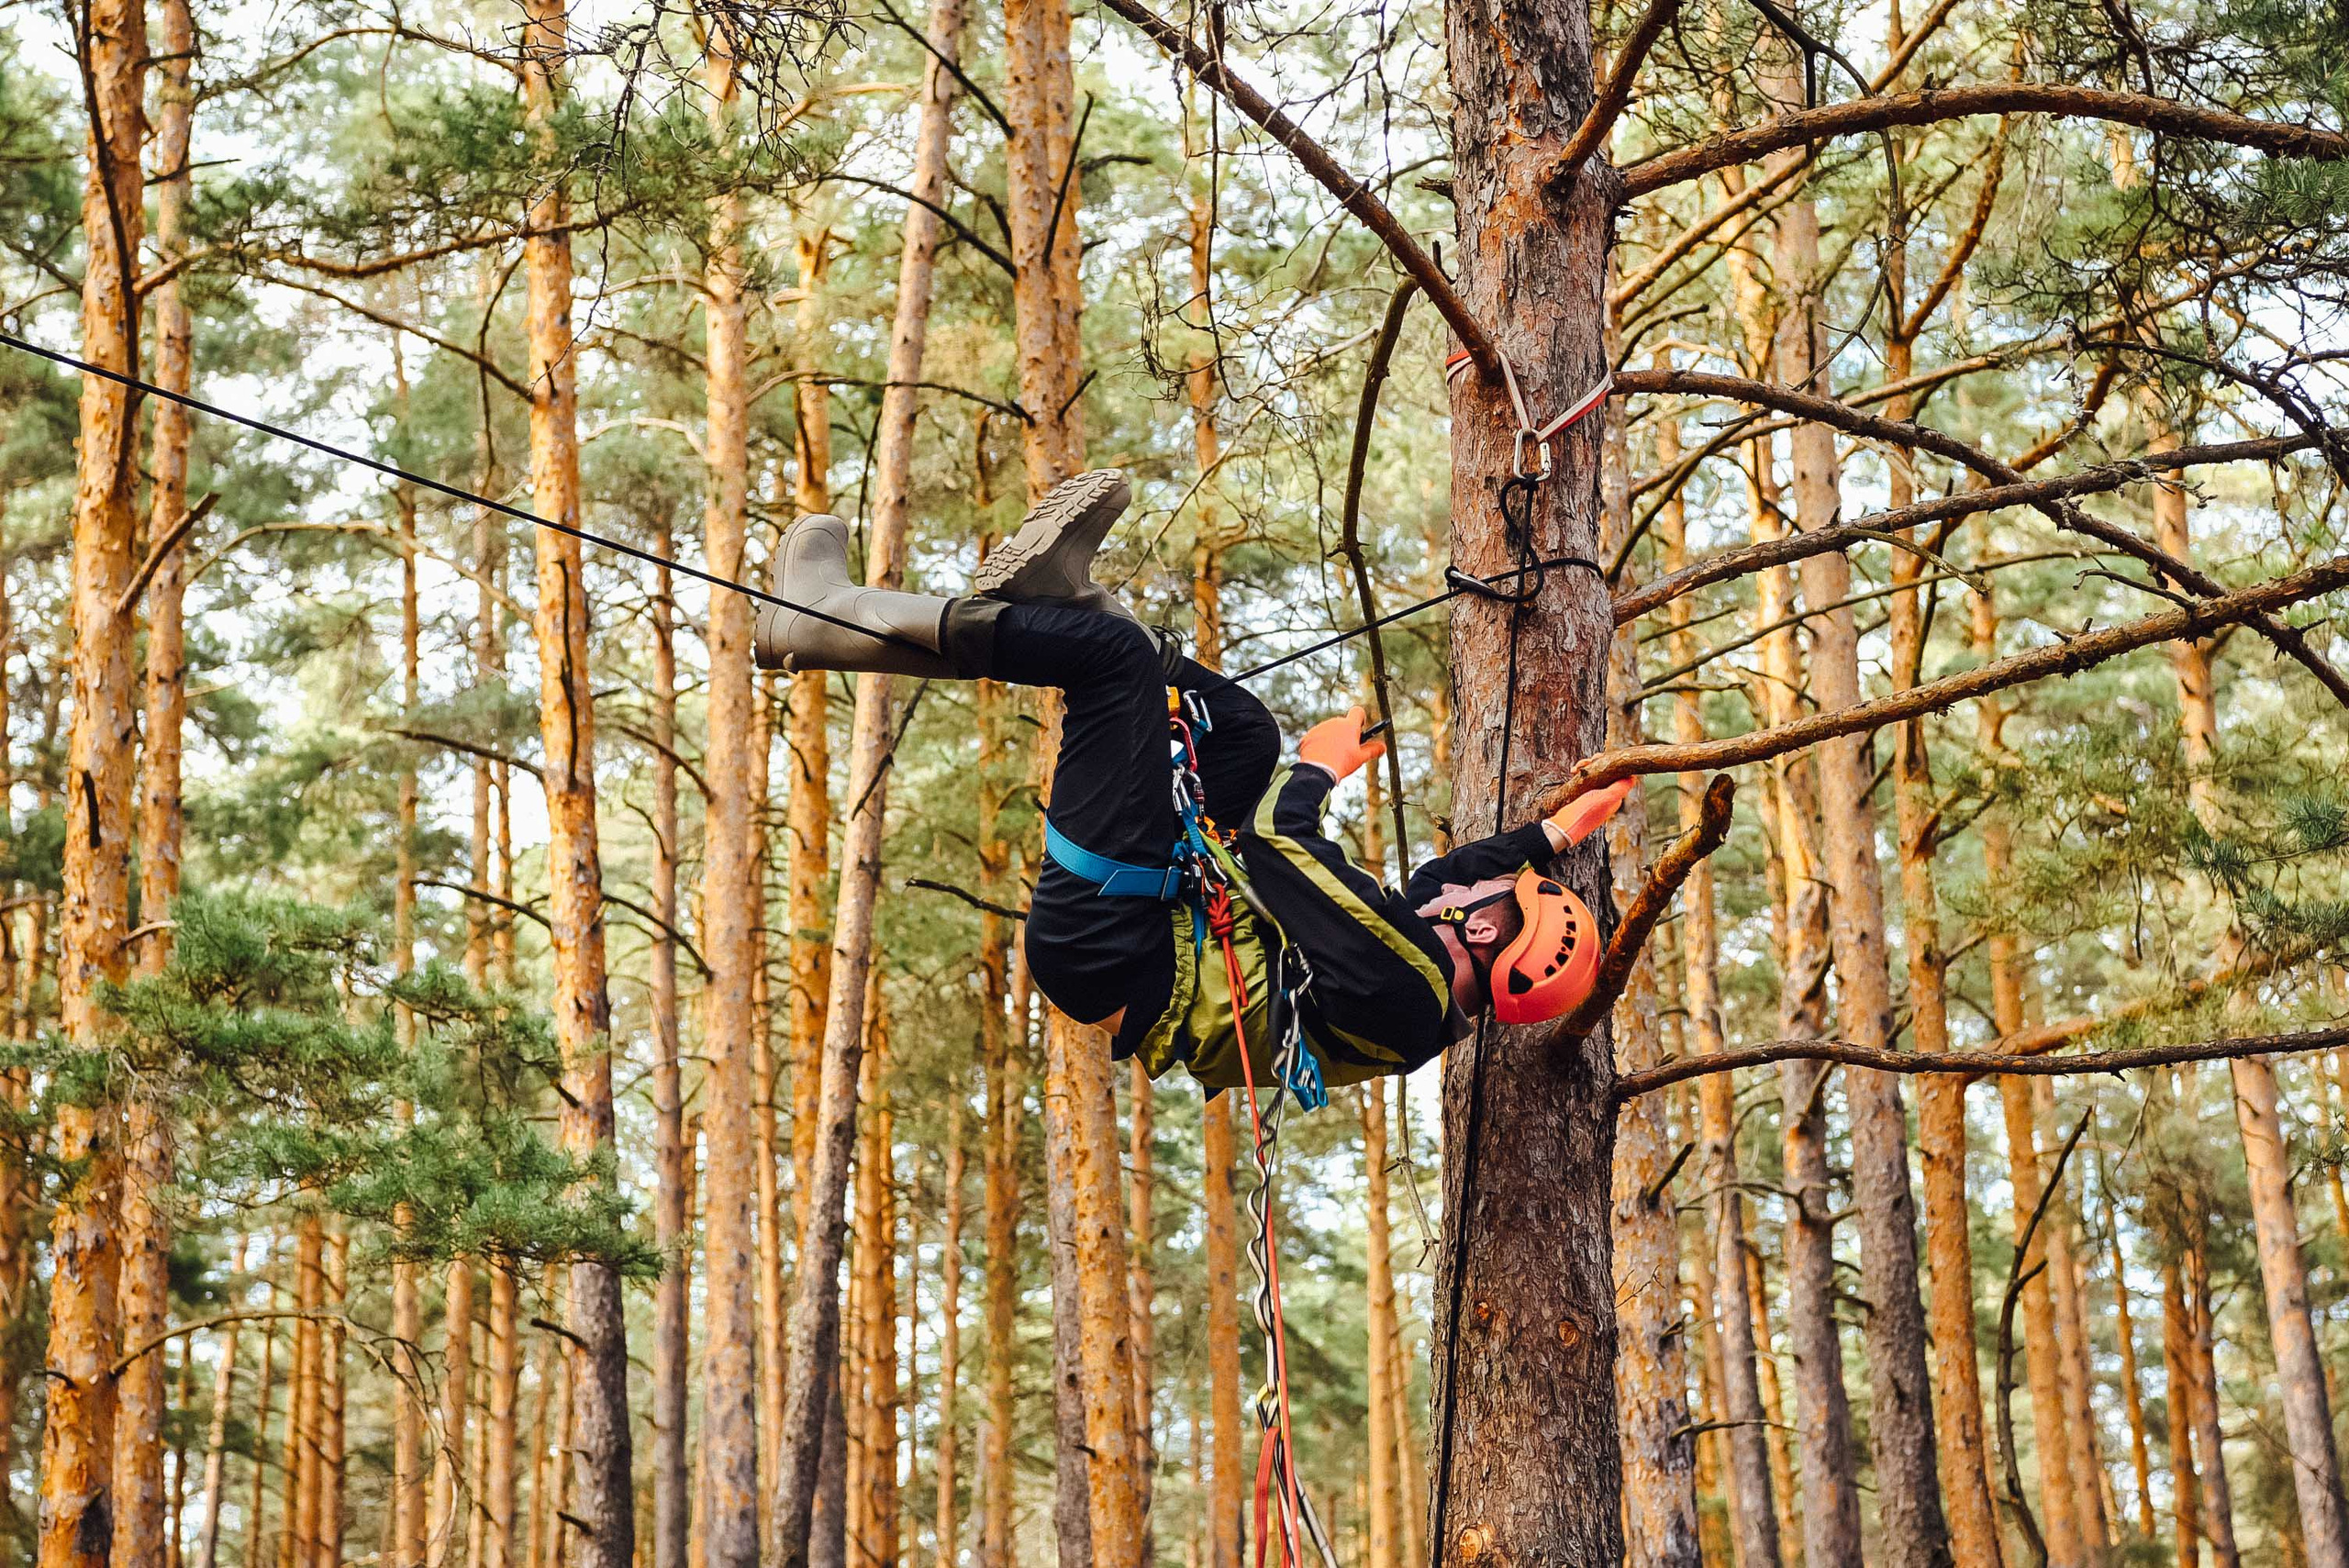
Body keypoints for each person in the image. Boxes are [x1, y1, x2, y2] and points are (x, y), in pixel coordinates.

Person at [752, 470, 1631, 1093]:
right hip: (1146, 925)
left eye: (1499, 890)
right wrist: (1551, 836)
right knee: (1244, 734)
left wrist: (1322, 768)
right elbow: (1444, 881)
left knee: (1112, 663)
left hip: (1109, 937)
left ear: (1485, 927)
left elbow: (1281, 842)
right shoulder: (1424, 988)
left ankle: (828, 615)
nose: (1478, 881)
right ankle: (1057, 605)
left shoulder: (1406, 986)